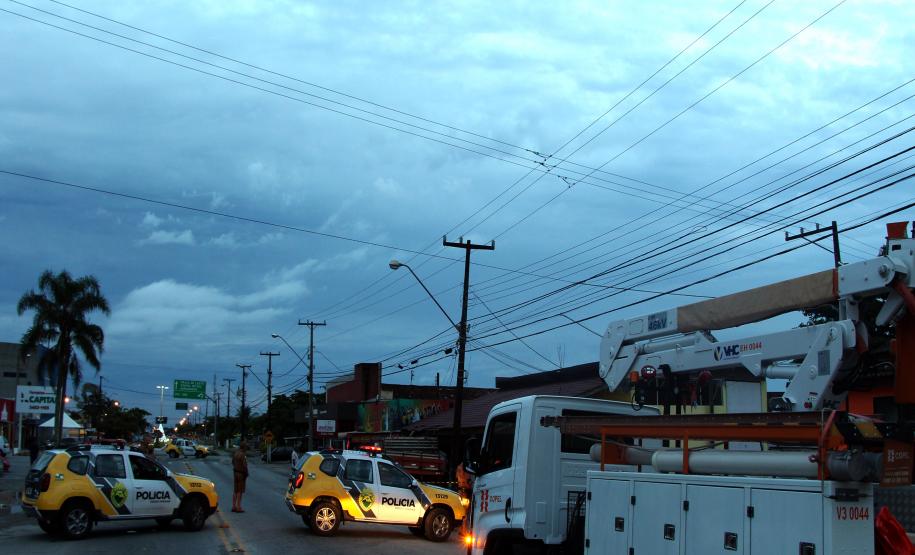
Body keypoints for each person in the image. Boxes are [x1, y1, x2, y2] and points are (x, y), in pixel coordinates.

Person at [232, 442, 249, 513]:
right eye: (246, 447)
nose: (246, 449)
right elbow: (245, 465)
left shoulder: (236, 453)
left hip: (235, 472)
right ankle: (238, 507)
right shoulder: (243, 455)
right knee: (240, 491)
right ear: (244, 447)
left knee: (235, 490)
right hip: (241, 474)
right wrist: (246, 473)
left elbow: (232, 462)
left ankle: (233, 506)